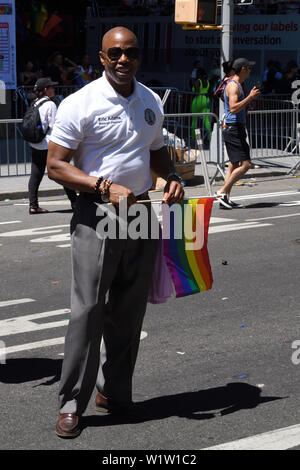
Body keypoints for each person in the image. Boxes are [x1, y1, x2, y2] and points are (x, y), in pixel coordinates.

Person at [47, 26, 184, 438]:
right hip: (98, 212)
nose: (124, 60)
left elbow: (156, 153)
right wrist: (103, 186)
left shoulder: (149, 102)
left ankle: (114, 392)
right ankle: (72, 402)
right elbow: (56, 165)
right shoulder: (81, 102)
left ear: (138, 57)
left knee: (128, 310)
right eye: (115, 53)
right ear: (102, 59)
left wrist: (173, 176)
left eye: (131, 53)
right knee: (88, 311)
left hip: (141, 210)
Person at [215, 58, 261, 209]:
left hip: (234, 127)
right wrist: (250, 97)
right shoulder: (234, 86)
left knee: (233, 164)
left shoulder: (237, 84)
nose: (250, 71)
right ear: (242, 69)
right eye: (249, 68)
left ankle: (225, 198)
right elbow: (233, 108)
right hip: (234, 128)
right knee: (246, 164)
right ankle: (222, 192)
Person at [28, 77, 77, 214]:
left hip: (36, 144)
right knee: (62, 172)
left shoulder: (35, 103)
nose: (54, 89)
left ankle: (33, 205)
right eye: (51, 87)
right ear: (45, 90)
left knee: (35, 175)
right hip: (48, 145)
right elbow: (55, 126)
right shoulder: (50, 104)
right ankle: (75, 202)